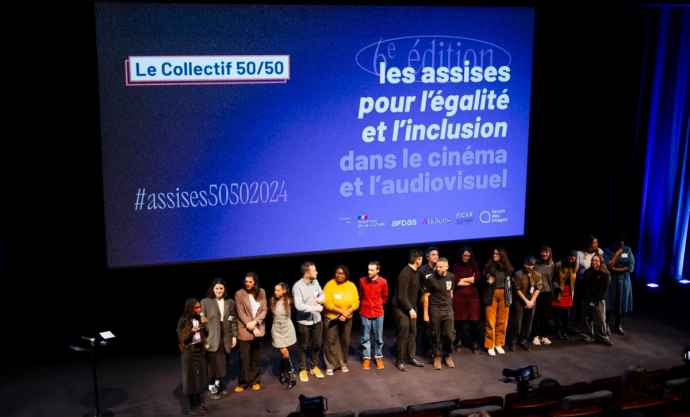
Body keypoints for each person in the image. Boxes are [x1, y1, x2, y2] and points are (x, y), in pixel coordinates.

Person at [200, 278, 238, 400]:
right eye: (216, 288)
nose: (219, 291)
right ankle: (211, 386)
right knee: (213, 363)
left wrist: (234, 335)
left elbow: (233, 320)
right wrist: (204, 338)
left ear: (224, 289)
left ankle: (217, 384)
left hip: (225, 336)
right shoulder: (205, 302)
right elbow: (202, 321)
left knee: (222, 362)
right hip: (211, 337)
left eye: (221, 288)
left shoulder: (230, 302)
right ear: (212, 289)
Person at [391, 249, 425, 371]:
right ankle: (399, 361)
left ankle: (411, 357)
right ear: (417, 260)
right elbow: (401, 296)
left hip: (411, 307)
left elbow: (415, 288)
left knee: (412, 332)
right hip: (401, 309)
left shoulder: (416, 272)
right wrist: (410, 309)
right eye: (421, 258)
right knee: (403, 335)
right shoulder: (405, 274)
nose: (422, 260)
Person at [322, 265, 360, 375]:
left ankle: (343, 363)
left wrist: (348, 312)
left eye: (341, 273)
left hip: (347, 317)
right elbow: (327, 302)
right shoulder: (329, 285)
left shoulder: (351, 285)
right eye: (337, 273)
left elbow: (356, 301)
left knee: (345, 341)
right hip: (332, 317)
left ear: (346, 275)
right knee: (331, 341)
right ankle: (330, 365)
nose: (338, 275)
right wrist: (342, 312)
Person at [293, 262, 325, 381]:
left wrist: (321, 299)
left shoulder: (315, 282)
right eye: (314, 271)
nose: (316, 272)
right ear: (307, 273)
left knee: (316, 345)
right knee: (303, 347)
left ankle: (314, 367)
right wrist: (315, 308)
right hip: (304, 322)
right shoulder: (297, 286)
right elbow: (299, 306)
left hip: (317, 320)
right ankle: (302, 369)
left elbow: (322, 293)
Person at [235, 272, 267, 391]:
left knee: (256, 357)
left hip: (258, 329)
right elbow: (241, 313)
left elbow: (264, 310)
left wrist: (255, 323)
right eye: (246, 281)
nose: (247, 284)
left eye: (250, 282)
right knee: (244, 359)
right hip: (245, 329)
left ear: (255, 283)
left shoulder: (262, 292)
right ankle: (243, 383)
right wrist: (253, 327)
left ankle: (255, 380)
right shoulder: (239, 294)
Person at [422, 257, 456, 369]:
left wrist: (450, 307)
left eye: (441, 267)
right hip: (435, 310)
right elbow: (426, 297)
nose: (438, 268)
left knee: (449, 335)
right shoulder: (431, 278)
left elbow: (451, 292)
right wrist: (426, 314)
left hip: (448, 310)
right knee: (435, 335)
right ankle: (437, 356)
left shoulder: (451, 277)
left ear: (447, 266)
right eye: (437, 266)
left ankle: (447, 355)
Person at [177, 299, 209, 416]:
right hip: (189, 351)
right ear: (190, 309)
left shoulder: (199, 318)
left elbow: (206, 334)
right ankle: (192, 406)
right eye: (196, 308)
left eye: (199, 307)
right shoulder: (183, 320)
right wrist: (191, 331)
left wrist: (205, 325)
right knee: (191, 380)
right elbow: (181, 337)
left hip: (200, 350)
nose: (199, 309)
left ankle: (199, 402)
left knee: (200, 378)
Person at [482, 247, 513, 356]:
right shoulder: (489, 267)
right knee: (490, 321)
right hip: (492, 294)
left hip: (504, 294)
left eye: (497, 254)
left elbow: (509, 283)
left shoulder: (507, 268)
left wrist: (509, 296)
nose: (494, 255)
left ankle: (498, 344)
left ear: (502, 256)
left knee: (502, 321)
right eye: (494, 254)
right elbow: (487, 283)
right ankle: (490, 345)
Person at [451, 246, 482, 354]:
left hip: (473, 297)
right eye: (465, 255)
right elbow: (457, 282)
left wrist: (463, 279)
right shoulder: (455, 266)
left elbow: (477, 278)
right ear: (461, 255)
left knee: (474, 321)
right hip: (459, 297)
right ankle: (458, 340)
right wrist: (470, 279)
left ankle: (474, 342)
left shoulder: (474, 264)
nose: (466, 258)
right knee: (459, 320)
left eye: (468, 256)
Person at [358, 261, 388, 370]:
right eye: (368, 269)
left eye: (372, 270)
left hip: (378, 312)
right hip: (365, 311)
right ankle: (366, 357)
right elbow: (361, 294)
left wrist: (377, 304)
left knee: (378, 337)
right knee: (365, 337)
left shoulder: (383, 282)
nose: (369, 272)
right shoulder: (362, 281)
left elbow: (385, 297)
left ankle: (378, 357)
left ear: (378, 270)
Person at [604, 234, 635, 336]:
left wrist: (617, 269)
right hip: (612, 279)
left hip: (624, 280)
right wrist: (616, 254)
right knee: (609, 301)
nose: (621, 245)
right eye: (619, 243)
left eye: (622, 243)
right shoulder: (608, 250)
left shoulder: (628, 250)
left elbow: (630, 266)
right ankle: (606, 324)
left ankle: (618, 325)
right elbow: (608, 265)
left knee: (620, 302)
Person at [509, 256, 542, 351]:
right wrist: (526, 301)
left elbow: (538, 288)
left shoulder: (537, 275)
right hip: (520, 299)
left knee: (529, 321)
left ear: (534, 266)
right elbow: (516, 289)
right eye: (526, 264)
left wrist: (531, 301)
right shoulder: (518, 274)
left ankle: (524, 340)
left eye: (530, 265)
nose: (527, 266)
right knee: (517, 321)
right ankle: (513, 340)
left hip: (531, 299)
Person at [270, 282, 297, 390]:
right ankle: (292, 377)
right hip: (277, 329)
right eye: (275, 290)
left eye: (278, 290)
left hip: (287, 329)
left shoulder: (290, 301)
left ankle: (282, 373)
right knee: (284, 352)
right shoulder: (272, 301)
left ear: (284, 291)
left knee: (285, 353)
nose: (276, 292)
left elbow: (294, 314)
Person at [582, 255, 612, 346]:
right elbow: (585, 287)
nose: (594, 262)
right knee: (586, 319)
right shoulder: (587, 272)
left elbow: (604, 289)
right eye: (592, 260)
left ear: (600, 262)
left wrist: (594, 300)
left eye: (596, 260)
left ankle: (602, 338)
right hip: (587, 299)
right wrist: (588, 299)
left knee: (600, 320)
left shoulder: (605, 273)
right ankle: (588, 336)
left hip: (599, 300)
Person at [576, 236, 604, 328]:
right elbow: (576, 268)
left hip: (594, 281)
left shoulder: (599, 251)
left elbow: (602, 265)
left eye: (597, 242)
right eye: (594, 243)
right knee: (581, 302)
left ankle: (591, 321)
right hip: (582, 281)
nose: (596, 245)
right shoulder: (580, 253)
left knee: (592, 302)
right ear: (589, 244)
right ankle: (580, 321)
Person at [418, 246, 439, 357]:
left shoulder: (440, 268)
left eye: (437, 254)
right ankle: (427, 348)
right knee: (427, 326)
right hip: (426, 299)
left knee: (437, 326)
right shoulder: (422, 271)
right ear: (428, 257)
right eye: (433, 255)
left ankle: (436, 347)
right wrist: (424, 291)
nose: (436, 257)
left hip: (438, 299)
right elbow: (418, 285)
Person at [532, 245, 555, 346]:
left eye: (546, 252)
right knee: (535, 316)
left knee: (545, 316)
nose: (544, 254)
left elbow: (552, 277)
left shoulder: (551, 264)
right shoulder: (535, 263)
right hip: (536, 293)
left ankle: (544, 336)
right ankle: (535, 336)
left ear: (549, 253)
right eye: (542, 252)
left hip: (547, 292)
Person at [552, 251, 578, 340]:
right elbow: (553, 277)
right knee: (558, 314)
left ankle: (564, 331)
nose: (571, 261)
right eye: (569, 259)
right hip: (559, 292)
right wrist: (555, 286)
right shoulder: (558, 265)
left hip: (569, 293)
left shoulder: (574, 266)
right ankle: (557, 331)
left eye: (573, 259)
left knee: (566, 315)